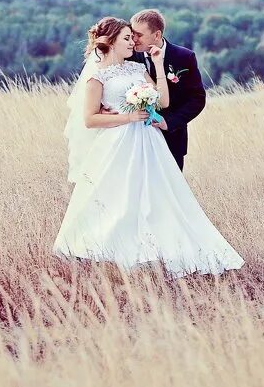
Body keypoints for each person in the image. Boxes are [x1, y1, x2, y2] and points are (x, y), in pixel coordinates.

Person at [53, 17, 243, 277]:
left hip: (149, 140)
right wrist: (127, 117)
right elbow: (90, 119)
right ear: (110, 42)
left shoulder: (136, 69)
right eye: (127, 38)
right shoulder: (96, 77)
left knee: (158, 196)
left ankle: (157, 251)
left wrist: (157, 64)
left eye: (133, 37)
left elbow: (163, 101)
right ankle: (111, 252)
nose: (133, 42)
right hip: (118, 143)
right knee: (119, 199)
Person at [129, 8, 205, 171]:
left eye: (139, 35)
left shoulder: (184, 57)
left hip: (172, 138)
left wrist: (169, 123)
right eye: (132, 33)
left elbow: (197, 99)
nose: (134, 39)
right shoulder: (129, 56)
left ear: (157, 35)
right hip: (135, 137)